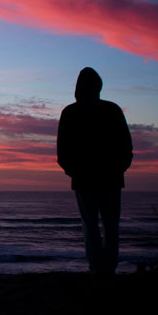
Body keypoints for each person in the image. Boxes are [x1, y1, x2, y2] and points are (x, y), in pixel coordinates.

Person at [56, 67, 133, 274]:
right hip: (105, 178)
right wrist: (119, 168)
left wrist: (74, 171)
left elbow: (62, 151)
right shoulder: (110, 110)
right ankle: (105, 268)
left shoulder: (73, 112)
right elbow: (126, 146)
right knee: (109, 225)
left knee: (92, 225)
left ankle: (99, 268)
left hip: (95, 178)